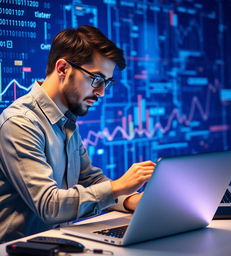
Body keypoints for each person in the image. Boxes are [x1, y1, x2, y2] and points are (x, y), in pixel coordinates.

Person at [0, 25, 156, 242]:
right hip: (20, 248)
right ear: (63, 68)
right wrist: (118, 186)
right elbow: (49, 206)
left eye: (106, 83)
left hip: (58, 242)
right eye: (96, 79)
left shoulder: (67, 119)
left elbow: (89, 180)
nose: (101, 92)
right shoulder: (20, 123)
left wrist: (130, 200)